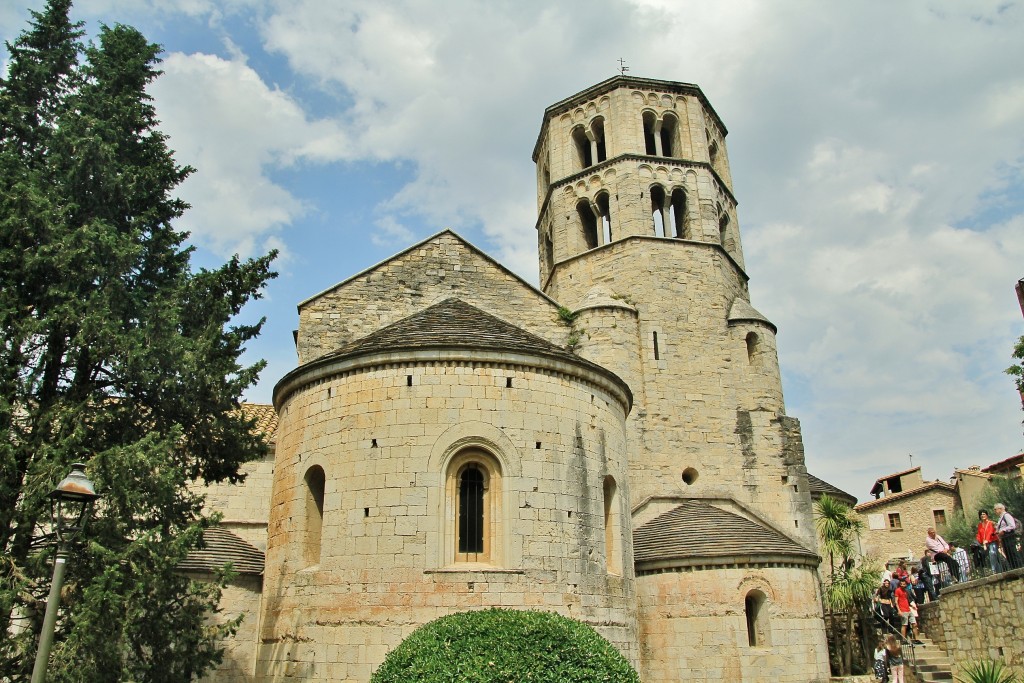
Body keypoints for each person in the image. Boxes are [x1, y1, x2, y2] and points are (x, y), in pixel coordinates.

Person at [994, 503, 1021, 570]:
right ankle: (1014, 569)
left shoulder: (1006, 516)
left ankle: (1019, 568)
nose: (995, 511)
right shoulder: (1000, 518)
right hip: (1004, 538)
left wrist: (1003, 530)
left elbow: (1012, 525)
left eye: (995, 509)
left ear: (1000, 509)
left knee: (1013, 553)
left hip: (1009, 537)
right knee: (1009, 555)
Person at [894, 579, 921, 644]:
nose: (903, 585)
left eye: (904, 584)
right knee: (904, 625)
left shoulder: (906, 591)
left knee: (914, 624)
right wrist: (899, 611)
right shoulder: (898, 590)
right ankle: (903, 640)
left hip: (908, 609)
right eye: (901, 584)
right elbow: (896, 602)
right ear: (900, 585)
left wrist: (912, 606)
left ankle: (917, 639)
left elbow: (907, 599)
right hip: (903, 610)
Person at [977, 509, 1001, 574]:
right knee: (993, 556)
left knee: (992, 554)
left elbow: (990, 532)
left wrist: (986, 540)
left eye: (984, 514)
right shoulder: (980, 525)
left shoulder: (990, 523)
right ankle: (998, 571)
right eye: (981, 514)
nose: (982, 515)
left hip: (992, 541)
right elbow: (979, 534)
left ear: (987, 515)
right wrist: (979, 541)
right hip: (985, 544)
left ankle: (994, 570)